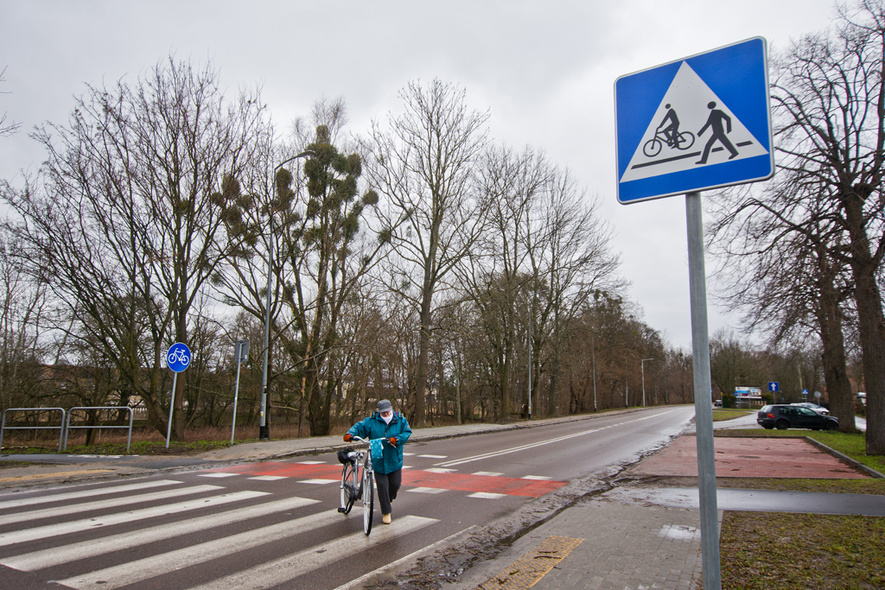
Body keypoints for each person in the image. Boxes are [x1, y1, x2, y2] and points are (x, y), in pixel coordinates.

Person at [343, 399, 412, 524]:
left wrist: (396, 439)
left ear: (391, 409)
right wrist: (350, 434)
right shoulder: (371, 421)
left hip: (394, 458)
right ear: (379, 412)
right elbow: (360, 427)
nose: (385, 414)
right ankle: (386, 512)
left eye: (387, 412)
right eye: (383, 413)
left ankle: (389, 499)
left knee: (395, 484)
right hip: (377, 457)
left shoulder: (400, 420)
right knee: (382, 486)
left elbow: (407, 432)